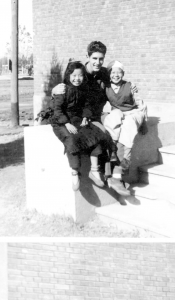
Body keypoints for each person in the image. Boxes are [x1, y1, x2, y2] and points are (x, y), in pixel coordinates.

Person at [52, 41, 136, 196]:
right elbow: (66, 91)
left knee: (122, 128)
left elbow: (119, 83)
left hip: (97, 114)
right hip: (82, 118)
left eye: (101, 59)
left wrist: (131, 93)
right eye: (95, 58)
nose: (98, 62)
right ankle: (109, 176)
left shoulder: (104, 73)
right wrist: (54, 90)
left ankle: (116, 176)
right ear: (87, 57)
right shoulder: (80, 74)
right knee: (105, 135)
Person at [51, 61, 109, 191]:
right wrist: (66, 123)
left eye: (80, 76)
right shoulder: (62, 89)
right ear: (68, 75)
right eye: (74, 75)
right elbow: (57, 110)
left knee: (96, 135)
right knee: (71, 139)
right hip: (61, 121)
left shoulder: (83, 89)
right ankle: (75, 172)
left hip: (77, 119)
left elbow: (87, 105)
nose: (77, 79)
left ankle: (94, 171)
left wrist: (85, 117)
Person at [103, 60, 148, 172]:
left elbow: (139, 102)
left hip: (132, 112)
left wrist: (143, 121)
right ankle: (113, 152)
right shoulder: (106, 87)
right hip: (118, 113)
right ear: (109, 74)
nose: (116, 75)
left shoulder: (129, 85)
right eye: (113, 73)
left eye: (119, 72)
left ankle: (126, 159)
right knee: (113, 120)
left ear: (123, 74)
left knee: (128, 124)